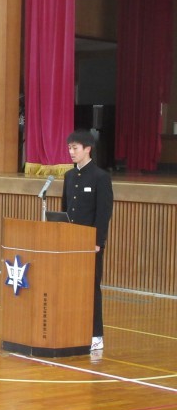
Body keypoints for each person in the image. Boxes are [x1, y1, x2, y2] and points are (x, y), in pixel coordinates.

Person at [61, 129, 114, 351]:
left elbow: (104, 212)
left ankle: (96, 334)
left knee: (91, 288)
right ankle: (73, 329)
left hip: (90, 243)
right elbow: (65, 209)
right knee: (70, 286)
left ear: (87, 149)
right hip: (70, 242)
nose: (71, 152)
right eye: (69, 148)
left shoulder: (100, 177)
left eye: (75, 148)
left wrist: (97, 241)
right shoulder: (69, 176)